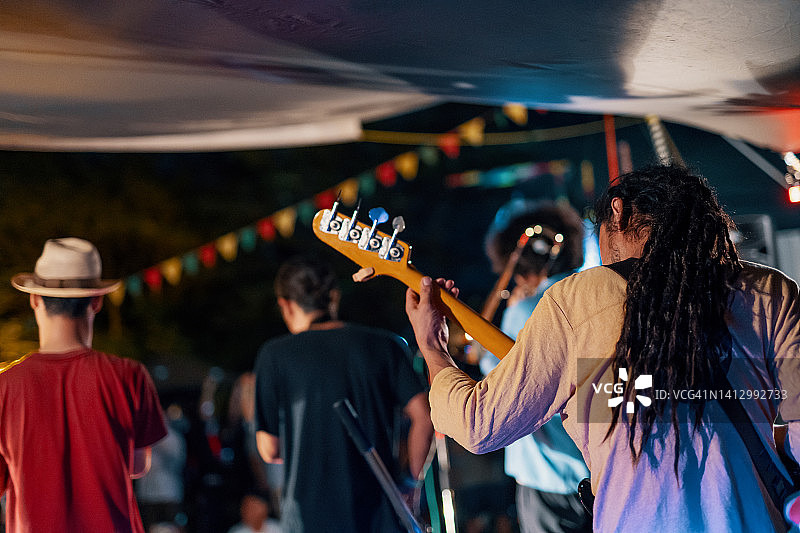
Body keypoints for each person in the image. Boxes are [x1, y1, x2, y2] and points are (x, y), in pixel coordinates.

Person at [405, 165, 800, 532]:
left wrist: (432, 347)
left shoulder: (577, 300)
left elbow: (479, 424)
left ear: (618, 210)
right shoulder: (771, 290)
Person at [253, 256, 434, 532]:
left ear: (286, 305)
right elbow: (425, 415)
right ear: (333, 298)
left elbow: (270, 449)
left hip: (308, 516)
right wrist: (410, 483)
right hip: (379, 510)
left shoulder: (274, 355)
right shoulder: (386, 345)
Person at [0, 237, 167, 532]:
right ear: (97, 300)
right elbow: (138, 465)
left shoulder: (6, 386)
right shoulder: (129, 374)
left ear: (34, 299)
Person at [480, 200, 591, 533]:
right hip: (608, 472)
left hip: (549, 474)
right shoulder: (597, 295)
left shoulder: (525, 310)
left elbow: (497, 383)